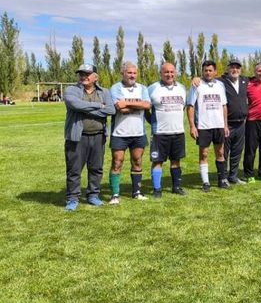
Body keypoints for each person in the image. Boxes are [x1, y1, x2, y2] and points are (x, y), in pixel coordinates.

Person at [63, 63, 116, 211]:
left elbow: (111, 110)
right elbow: (75, 104)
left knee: (96, 168)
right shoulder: (71, 90)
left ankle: (93, 195)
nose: (83, 77)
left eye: (87, 74)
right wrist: (100, 106)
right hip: (77, 137)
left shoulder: (104, 92)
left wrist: (86, 108)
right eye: (81, 74)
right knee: (74, 170)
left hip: (99, 136)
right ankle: (72, 198)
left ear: (95, 77)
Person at [108, 62, 151, 203]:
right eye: (129, 73)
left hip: (138, 132)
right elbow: (120, 107)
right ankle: (115, 195)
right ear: (123, 73)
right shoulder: (116, 88)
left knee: (137, 161)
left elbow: (147, 105)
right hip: (119, 133)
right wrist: (138, 106)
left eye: (134, 73)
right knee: (117, 162)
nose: (132, 75)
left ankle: (136, 192)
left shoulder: (143, 88)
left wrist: (127, 103)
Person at [186, 60, 230, 192]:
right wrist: (192, 126)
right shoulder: (197, 85)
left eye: (210, 70)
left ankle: (222, 179)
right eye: (205, 70)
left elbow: (224, 106)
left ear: (215, 72)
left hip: (219, 125)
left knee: (220, 152)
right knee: (204, 154)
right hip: (203, 126)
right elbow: (190, 106)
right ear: (202, 72)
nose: (208, 73)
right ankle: (206, 182)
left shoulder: (220, 85)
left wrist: (225, 125)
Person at [147, 62, 188, 197]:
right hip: (160, 133)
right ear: (161, 73)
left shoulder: (182, 88)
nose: (169, 74)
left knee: (176, 161)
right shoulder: (152, 88)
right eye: (166, 72)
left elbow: (183, 107)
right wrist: (152, 122)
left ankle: (176, 187)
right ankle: (157, 189)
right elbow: (146, 108)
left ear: (175, 73)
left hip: (178, 132)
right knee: (157, 161)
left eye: (172, 72)